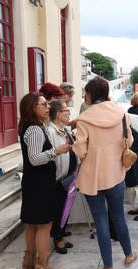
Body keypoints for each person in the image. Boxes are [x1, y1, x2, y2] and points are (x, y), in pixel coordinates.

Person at [73, 76, 137, 269]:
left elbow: (80, 152)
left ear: (89, 94)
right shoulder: (121, 113)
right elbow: (130, 140)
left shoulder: (84, 119)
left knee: (100, 220)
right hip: (116, 172)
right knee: (118, 216)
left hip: (92, 176)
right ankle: (128, 254)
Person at [18, 93, 69, 269]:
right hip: (39, 183)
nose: (48, 107)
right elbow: (35, 159)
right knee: (44, 225)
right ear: (32, 108)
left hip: (35, 182)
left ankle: (29, 262)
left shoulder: (33, 127)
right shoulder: (34, 129)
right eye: (43, 104)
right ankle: (42, 266)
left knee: (32, 223)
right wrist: (57, 150)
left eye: (47, 104)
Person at [46, 100, 77, 254]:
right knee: (59, 211)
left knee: (65, 209)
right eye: (66, 110)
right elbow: (50, 155)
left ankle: (61, 234)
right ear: (58, 114)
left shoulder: (63, 129)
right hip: (58, 179)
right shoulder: (50, 132)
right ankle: (57, 239)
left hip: (67, 176)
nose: (69, 112)